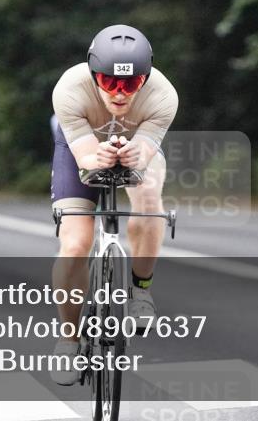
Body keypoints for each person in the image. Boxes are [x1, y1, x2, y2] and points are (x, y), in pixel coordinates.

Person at [49, 24, 178, 385]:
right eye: (109, 82)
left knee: (150, 200)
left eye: (131, 84)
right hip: (80, 150)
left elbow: (147, 153)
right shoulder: (69, 89)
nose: (120, 94)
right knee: (75, 243)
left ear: (146, 78)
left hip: (139, 145)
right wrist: (96, 156)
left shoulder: (164, 95)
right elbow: (86, 158)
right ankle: (69, 339)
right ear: (93, 75)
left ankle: (141, 291)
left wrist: (137, 154)